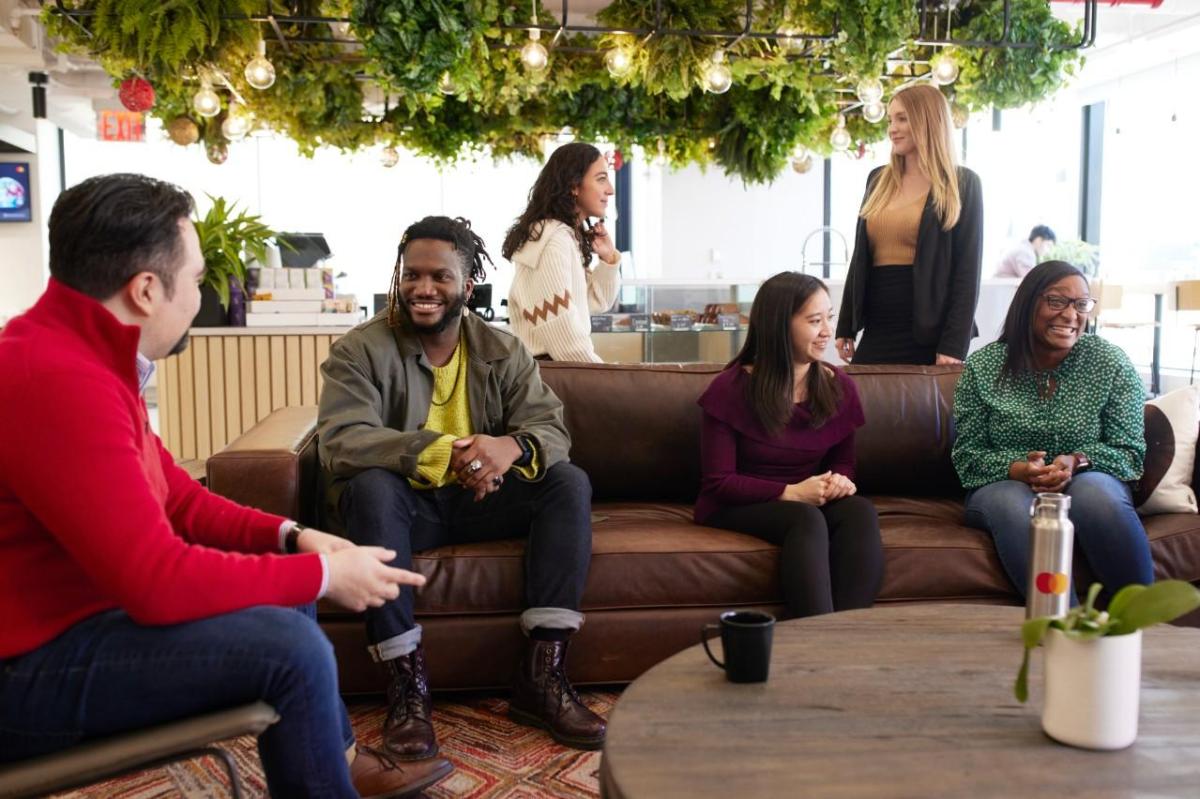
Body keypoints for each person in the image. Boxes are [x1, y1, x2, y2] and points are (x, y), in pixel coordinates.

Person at [0, 174, 453, 798]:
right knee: (292, 650)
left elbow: (177, 497)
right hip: (24, 672)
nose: (202, 294)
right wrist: (325, 578)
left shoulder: (80, 354)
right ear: (145, 290)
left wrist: (294, 537)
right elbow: (156, 582)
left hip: (65, 628)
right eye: (197, 279)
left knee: (282, 591)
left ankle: (334, 764)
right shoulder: (58, 380)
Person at [317, 215, 606, 760]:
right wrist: (442, 452)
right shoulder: (359, 350)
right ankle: (406, 686)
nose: (424, 289)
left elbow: (552, 430)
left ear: (467, 286)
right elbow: (341, 440)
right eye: (413, 276)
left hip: (482, 501)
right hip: (406, 505)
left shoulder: (503, 349)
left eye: (440, 278)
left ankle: (542, 675)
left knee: (566, 481)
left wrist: (509, 449)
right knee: (372, 488)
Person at [952, 260, 1153, 602]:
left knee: (1096, 497)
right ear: (1029, 302)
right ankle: (1065, 627)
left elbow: (1130, 452)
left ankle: (1143, 622)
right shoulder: (983, 367)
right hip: (1003, 485)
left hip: (1090, 476)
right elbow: (966, 456)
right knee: (1016, 506)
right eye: (1057, 301)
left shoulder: (1110, 362)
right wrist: (1017, 469)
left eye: (1081, 304)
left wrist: (1076, 460)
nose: (1070, 315)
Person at [696, 271, 883, 618]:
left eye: (829, 316)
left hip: (808, 497)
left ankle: (849, 635)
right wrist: (791, 492)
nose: (827, 330)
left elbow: (844, 462)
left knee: (859, 511)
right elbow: (719, 482)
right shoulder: (730, 389)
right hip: (737, 503)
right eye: (815, 320)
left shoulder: (838, 386)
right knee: (806, 519)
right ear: (780, 325)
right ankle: (816, 639)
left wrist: (840, 480)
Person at [836, 83, 984, 366]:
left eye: (902, 118)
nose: (893, 128)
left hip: (930, 334)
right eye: (891, 120)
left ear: (928, 120)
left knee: (924, 412)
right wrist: (846, 323)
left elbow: (968, 273)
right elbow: (860, 256)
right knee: (863, 405)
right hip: (878, 328)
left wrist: (954, 344)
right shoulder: (878, 179)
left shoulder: (962, 184)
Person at [503, 141, 620, 362]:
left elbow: (596, 302)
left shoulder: (563, 235)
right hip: (549, 376)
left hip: (553, 371)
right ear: (574, 186)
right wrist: (605, 379)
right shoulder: (552, 238)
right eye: (601, 179)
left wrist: (608, 258)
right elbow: (562, 334)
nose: (610, 190)